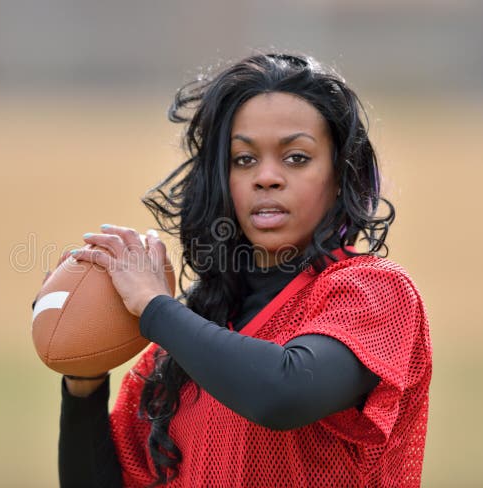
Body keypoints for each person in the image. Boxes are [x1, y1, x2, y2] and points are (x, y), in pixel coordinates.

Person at [51, 53, 432, 487]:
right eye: (244, 160)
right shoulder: (186, 342)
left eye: (296, 158)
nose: (266, 177)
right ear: (220, 180)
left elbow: (282, 394)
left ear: (341, 176)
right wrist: (84, 380)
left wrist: (155, 307)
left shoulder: (375, 292)